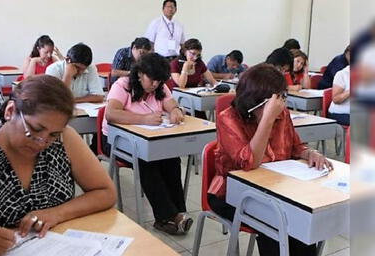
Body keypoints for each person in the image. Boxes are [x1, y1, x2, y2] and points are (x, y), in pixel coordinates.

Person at [0, 75, 116, 256]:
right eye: (34, 129)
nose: (42, 142)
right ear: (10, 111)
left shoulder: (65, 139)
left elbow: (105, 192)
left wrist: (57, 213)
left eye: (53, 135)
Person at [207, 63, 333, 255]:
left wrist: (310, 153)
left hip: (276, 189)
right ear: (258, 101)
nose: (282, 103)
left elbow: (295, 147)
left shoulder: (281, 113)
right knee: (276, 222)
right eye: (277, 98)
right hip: (232, 193)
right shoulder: (228, 118)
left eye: (282, 96)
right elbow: (249, 162)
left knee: (300, 220)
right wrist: (266, 119)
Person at [102, 53, 193, 235]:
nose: (155, 85)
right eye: (152, 80)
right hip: (116, 141)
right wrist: (143, 119)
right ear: (140, 74)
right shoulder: (123, 85)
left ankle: (176, 212)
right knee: (146, 161)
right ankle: (168, 216)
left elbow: (171, 103)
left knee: (171, 159)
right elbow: (111, 114)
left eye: (159, 81)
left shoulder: (159, 86)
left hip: (150, 141)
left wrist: (175, 111)